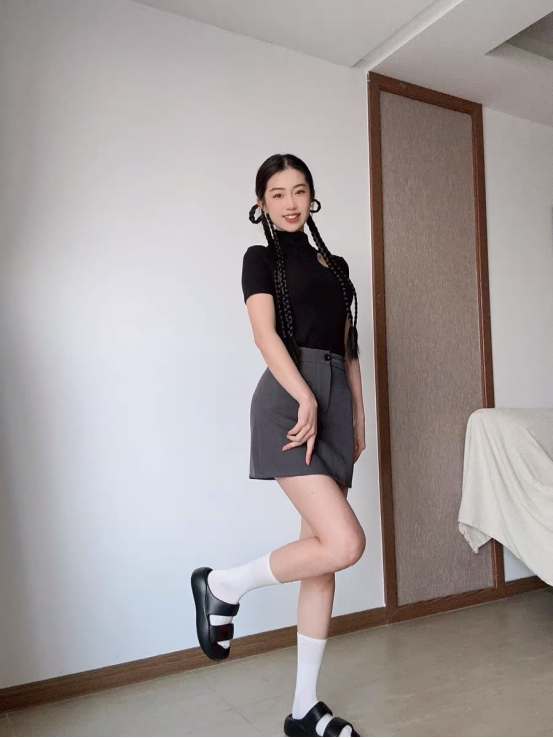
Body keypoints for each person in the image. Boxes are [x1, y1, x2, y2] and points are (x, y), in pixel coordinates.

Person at [192, 154, 366, 738]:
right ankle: (223, 585)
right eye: (277, 193)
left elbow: (348, 348)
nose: (290, 202)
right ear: (262, 204)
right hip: (289, 402)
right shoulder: (260, 258)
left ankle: (303, 710)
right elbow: (264, 335)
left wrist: (357, 415)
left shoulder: (337, 267)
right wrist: (305, 397)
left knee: (323, 561)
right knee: (345, 543)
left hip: (334, 404)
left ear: (312, 197)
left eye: (299, 191)